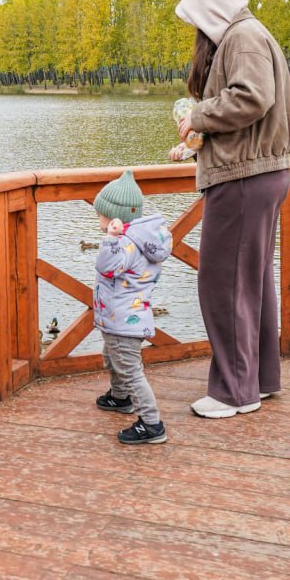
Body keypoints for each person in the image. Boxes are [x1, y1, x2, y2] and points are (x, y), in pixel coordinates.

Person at [172, 0, 290, 419]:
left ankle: (231, 393)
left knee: (222, 283)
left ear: (210, 8)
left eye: (196, 16)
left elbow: (251, 97)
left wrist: (200, 116)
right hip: (259, 173)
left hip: (243, 180)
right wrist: (197, 146)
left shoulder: (241, 37)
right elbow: (253, 116)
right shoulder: (250, 34)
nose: (195, 29)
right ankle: (258, 380)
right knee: (252, 281)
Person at [91, 170, 172, 444]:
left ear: (115, 217)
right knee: (115, 359)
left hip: (123, 321)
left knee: (130, 370)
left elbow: (105, 266)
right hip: (125, 317)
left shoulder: (125, 243)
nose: (98, 219)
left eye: (101, 214)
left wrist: (110, 239)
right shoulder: (142, 239)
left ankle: (151, 424)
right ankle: (119, 397)